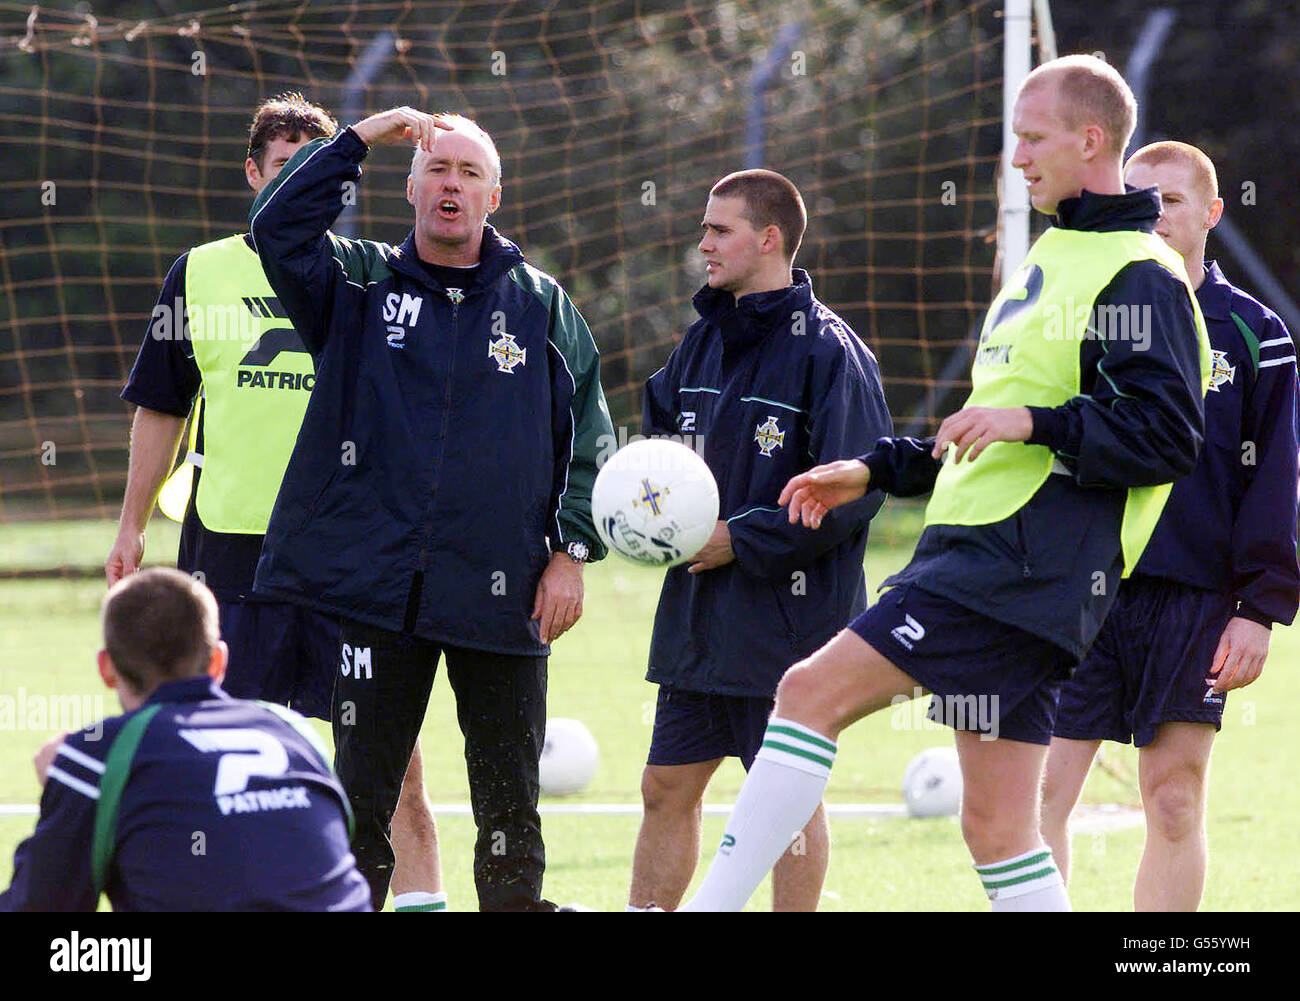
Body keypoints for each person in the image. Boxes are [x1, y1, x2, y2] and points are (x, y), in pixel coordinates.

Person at [677, 53, 1211, 912]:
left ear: (1090, 138)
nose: (1018, 158)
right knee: (999, 830)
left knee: (808, 690)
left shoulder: (1138, 271)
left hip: (1017, 568)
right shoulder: (1054, 259)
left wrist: (1037, 422)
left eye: (1032, 139)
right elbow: (990, 429)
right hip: (1007, 566)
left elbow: (1167, 434)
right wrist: (879, 465)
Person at [246, 107, 614, 912]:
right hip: (376, 594)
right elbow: (273, 229)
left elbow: (590, 439)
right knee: (360, 805)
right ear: (410, 187)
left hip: (505, 594)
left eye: (469, 172)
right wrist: (357, 138)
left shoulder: (544, 308)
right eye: (438, 169)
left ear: (495, 194)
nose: (452, 183)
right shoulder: (356, 281)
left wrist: (572, 552)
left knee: (511, 808)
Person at [108, 92, 445, 913]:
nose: (295, 181)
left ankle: (420, 903)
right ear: (252, 172)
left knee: (391, 762)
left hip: (348, 553)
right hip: (230, 553)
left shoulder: (366, 277)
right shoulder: (199, 272)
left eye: (313, 168)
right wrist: (129, 523)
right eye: (281, 166)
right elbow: (161, 404)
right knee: (216, 753)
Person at [1041, 140, 1300, 911]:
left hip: (1197, 598)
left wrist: (1260, 608)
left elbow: (1277, 481)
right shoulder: (1089, 314)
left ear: (1213, 213)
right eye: (1140, 199)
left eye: (1173, 201)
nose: (1154, 215)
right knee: (1039, 792)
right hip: (1084, 586)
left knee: (1174, 799)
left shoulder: (1257, 334)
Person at [627, 170, 892, 911]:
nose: (702, 243)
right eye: (704, 227)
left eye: (719, 229)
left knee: (786, 805)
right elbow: (658, 449)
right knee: (665, 785)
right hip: (698, 612)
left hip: (788, 623)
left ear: (768, 238)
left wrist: (739, 538)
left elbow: (853, 492)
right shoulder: (702, 339)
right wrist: (649, 512)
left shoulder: (831, 352)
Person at [0, 568, 371, 911]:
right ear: (219, 662)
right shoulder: (294, 732)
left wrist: (65, 780)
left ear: (106, 669)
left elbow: (38, 905)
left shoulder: (99, 756)